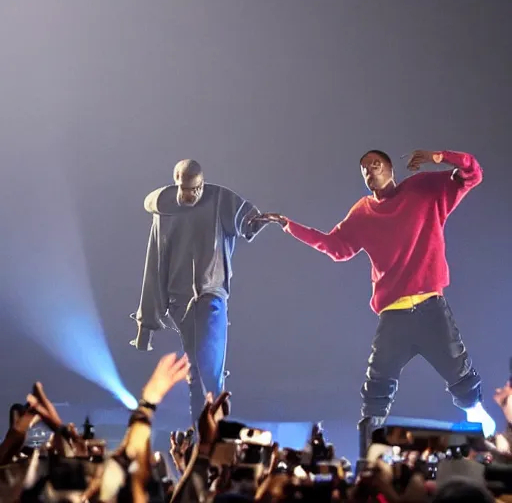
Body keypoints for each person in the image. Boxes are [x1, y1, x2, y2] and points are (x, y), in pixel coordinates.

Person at [251, 149, 495, 451]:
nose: (369, 172)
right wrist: (288, 224)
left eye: (375, 165)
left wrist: (438, 156)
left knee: (461, 376)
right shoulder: (363, 212)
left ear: (391, 168)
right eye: (364, 169)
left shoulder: (423, 189)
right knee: (376, 390)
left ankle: (477, 416)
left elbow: (473, 173)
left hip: (431, 307)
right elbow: (335, 247)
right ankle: (371, 453)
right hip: (394, 317)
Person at [130, 159, 267, 425]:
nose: (189, 195)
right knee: (199, 371)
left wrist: (256, 220)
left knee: (208, 370)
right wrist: (145, 324)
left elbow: (246, 219)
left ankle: (208, 434)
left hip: (210, 295)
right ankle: (203, 436)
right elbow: (154, 263)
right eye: (184, 188)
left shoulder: (218, 201)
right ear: (176, 183)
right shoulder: (165, 212)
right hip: (179, 302)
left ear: (202, 185)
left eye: (195, 189)